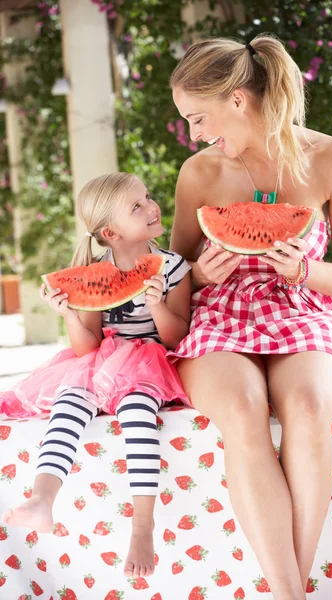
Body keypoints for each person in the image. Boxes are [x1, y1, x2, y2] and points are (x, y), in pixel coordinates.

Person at [168, 35, 332, 599]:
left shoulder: (330, 157)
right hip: (222, 314)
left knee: (308, 403)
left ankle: (285, 593)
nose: (194, 134)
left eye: (198, 118)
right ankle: (292, 595)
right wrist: (203, 274)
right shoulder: (198, 174)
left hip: (308, 306)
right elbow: (176, 278)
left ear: (238, 100)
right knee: (244, 408)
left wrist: (302, 271)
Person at [0, 172, 192, 579]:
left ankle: (143, 523)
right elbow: (86, 347)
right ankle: (42, 499)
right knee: (69, 402)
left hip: (151, 362)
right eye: (136, 206)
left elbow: (177, 335)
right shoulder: (92, 271)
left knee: (138, 414)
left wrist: (156, 304)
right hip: (100, 359)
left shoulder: (174, 267)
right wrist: (69, 313)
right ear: (111, 232)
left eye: (147, 197)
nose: (151, 206)